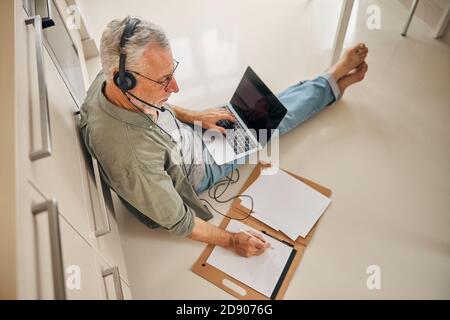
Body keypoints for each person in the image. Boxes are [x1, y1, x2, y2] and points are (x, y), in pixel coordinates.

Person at [80, 16, 368, 258]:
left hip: (183, 137)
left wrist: (194, 116)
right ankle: (331, 83)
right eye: (163, 81)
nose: (176, 87)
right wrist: (232, 241)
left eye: (172, 73)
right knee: (271, 120)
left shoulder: (108, 84)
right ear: (122, 78)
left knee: (257, 108)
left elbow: (157, 107)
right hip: (200, 166)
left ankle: (329, 86)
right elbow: (180, 221)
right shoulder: (132, 160)